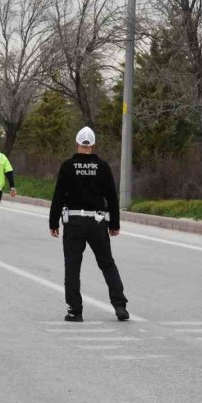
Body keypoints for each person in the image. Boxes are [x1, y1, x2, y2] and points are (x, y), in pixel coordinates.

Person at [49, 127, 129, 322]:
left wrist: (53, 222)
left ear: (77, 144)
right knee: (107, 264)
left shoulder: (67, 166)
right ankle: (120, 306)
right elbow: (111, 197)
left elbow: (59, 195)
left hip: (74, 222)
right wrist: (114, 224)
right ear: (92, 145)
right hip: (97, 222)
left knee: (72, 266)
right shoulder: (102, 167)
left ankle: (75, 311)